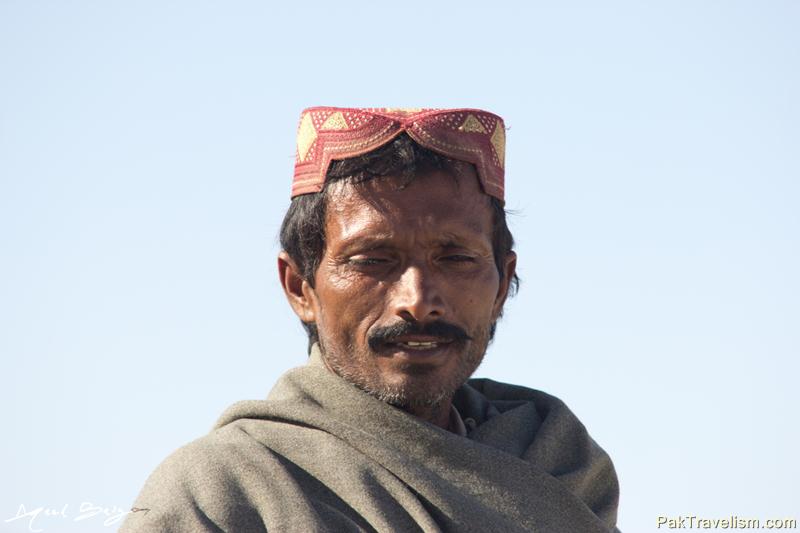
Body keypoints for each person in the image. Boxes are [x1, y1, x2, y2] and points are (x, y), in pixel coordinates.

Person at [120, 107, 620, 532]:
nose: (418, 301)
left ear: (502, 283)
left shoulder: (564, 469)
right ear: (300, 288)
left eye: (455, 258)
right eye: (371, 261)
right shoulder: (225, 490)